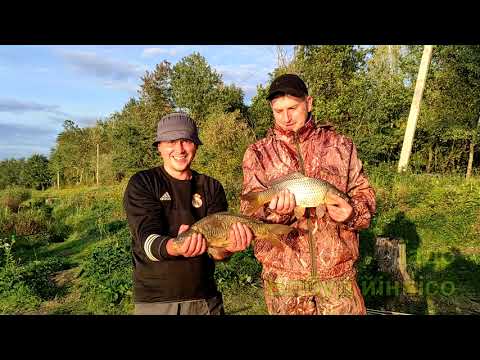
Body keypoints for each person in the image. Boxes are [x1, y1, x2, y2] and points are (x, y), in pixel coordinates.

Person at [240, 74, 376, 315]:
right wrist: (275, 212)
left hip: (338, 275)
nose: (286, 117)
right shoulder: (257, 153)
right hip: (283, 279)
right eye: (278, 110)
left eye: (293, 108)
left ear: (309, 103)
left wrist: (352, 213)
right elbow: (250, 216)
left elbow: (364, 194)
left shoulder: (341, 145)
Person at [124, 112, 253, 315]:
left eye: (186, 141)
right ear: (159, 147)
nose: (180, 149)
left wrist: (230, 247)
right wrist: (176, 247)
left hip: (205, 299)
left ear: (196, 145)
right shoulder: (144, 182)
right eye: (171, 141)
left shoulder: (211, 187)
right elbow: (146, 241)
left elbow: (217, 253)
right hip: (156, 302)